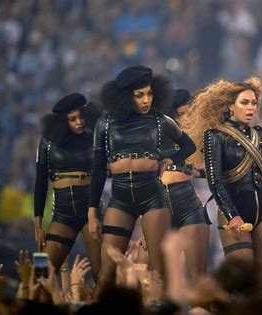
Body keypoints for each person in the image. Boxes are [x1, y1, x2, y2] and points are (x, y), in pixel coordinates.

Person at [88, 65, 196, 295]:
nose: (146, 100)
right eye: (139, 95)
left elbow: (189, 145)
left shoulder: (160, 120)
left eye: (149, 93)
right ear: (125, 97)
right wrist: (91, 213)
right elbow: (97, 169)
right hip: (119, 198)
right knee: (106, 272)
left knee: (158, 272)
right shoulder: (105, 123)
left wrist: (170, 160)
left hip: (152, 195)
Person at [183, 77, 262, 285]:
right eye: (244, 103)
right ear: (230, 106)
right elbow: (215, 181)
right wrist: (232, 215)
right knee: (244, 282)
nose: (251, 108)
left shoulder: (260, 134)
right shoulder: (215, 136)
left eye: (254, 103)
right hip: (233, 211)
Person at [34, 93, 102, 277]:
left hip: (91, 209)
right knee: (40, 273)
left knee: (102, 275)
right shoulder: (47, 142)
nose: (79, 122)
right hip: (62, 212)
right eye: (72, 119)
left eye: (81, 117)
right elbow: (40, 182)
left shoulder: (95, 136)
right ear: (63, 121)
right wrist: (38, 224)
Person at [160, 89, 209, 283]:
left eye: (189, 113)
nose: (187, 118)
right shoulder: (159, 136)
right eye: (181, 114)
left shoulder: (199, 138)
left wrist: (196, 170)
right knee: (155, 275)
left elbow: (215, 169)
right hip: (158, 202)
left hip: (188, 201)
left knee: (198, 274)